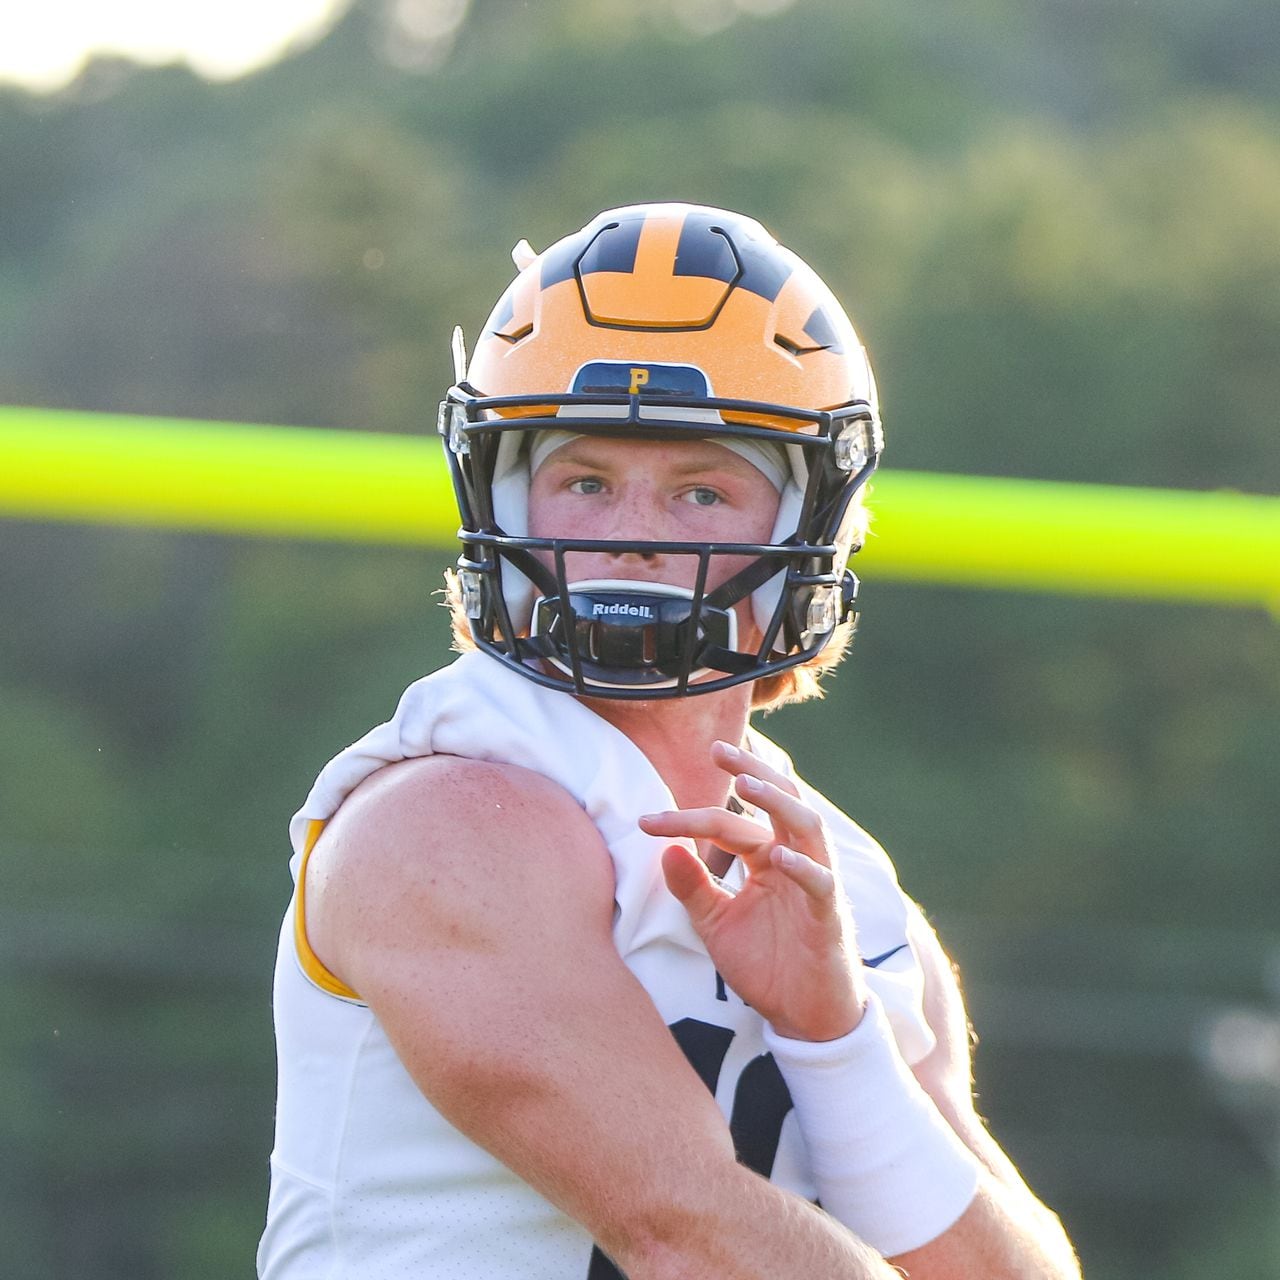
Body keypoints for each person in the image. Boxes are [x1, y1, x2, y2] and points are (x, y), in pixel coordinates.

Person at [258, 203, 1081, 1279]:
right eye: (585, 480)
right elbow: (687, 1239)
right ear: (501, 495)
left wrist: (834, 1042)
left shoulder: (852, 896)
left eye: (699, 489)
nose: (627, 537)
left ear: (808, 531)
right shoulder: (447, 822)